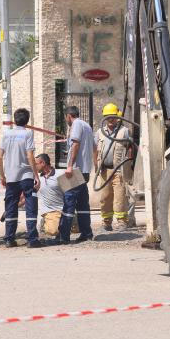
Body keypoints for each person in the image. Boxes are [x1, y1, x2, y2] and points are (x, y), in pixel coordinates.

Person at [52, 105, 96, 245]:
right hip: (85, 170)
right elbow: (94, 147)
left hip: (76, 169)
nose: (66, 120)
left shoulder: (76, 124)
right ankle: (86, 233)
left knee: (69, 200)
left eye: (66, 118)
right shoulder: (87, 126)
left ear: (68, 116)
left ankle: (63, 236)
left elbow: (76, 144)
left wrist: (69, 165)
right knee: (82, 203)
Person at [0, 108, 42, 248]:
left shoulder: (6, 134)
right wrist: (36, 175)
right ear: (27, 120)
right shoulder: (28, 134)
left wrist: (2, 175)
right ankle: (32, 239)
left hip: (11, 177)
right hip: (26, 176)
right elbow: (30, 155)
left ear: (15, 120)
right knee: (30, 206)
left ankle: (9, 239)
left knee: (10, 207)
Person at [94, 103, 132, 231]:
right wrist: (96, 166)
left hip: (118, 171)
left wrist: (128, 166)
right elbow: (95, 150)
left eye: (112, 117)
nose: (110, 119)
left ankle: (122, 222)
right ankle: (106, 223)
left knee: (120, 197)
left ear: (117, 117)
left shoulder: (124, 131)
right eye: (107, 116)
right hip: (104, 170)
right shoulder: (100, 132)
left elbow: (131, 148)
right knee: (105, 198)